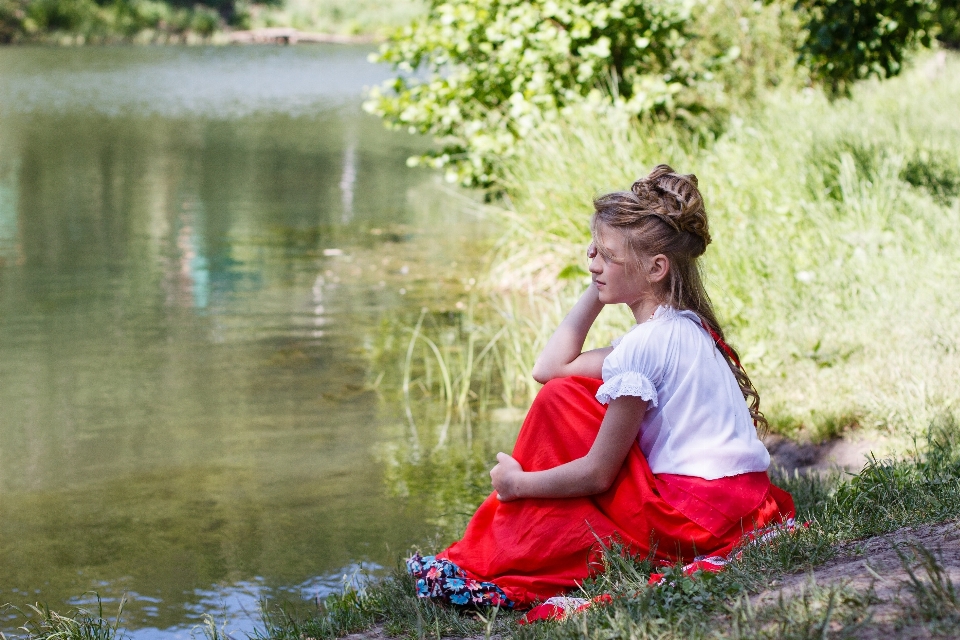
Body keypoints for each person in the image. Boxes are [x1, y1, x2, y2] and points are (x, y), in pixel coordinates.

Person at [407, 165, 795, 610]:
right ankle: (510, 541)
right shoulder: (682, 327)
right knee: (565, 394)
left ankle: (506, 546)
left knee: (559, 403)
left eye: (606, 255)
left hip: (694, 520)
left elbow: (598, 473)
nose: (592, 262)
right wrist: (601, 283)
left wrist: (518, 484)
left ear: (656, 268)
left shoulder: (644, 347)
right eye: (593, 250)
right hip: (740, 503)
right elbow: (552, 367)